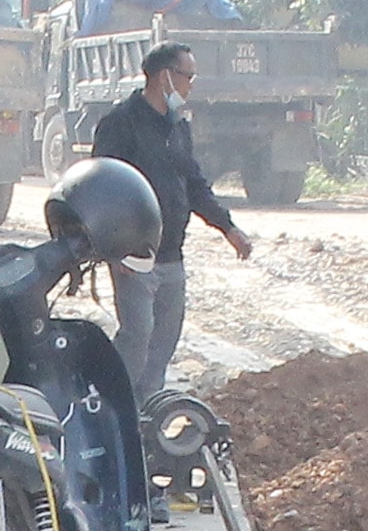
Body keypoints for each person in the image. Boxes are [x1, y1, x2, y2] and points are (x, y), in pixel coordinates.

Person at [84, 40, 252, 398]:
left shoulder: (177, 127)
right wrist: (115, 251)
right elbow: (102, 188)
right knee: (137, 334)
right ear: (166, 77)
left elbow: (193, 184)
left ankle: (145, 414)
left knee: (164, 341)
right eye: (187, 76)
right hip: (134, 256)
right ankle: (111, 404)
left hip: (172, 254)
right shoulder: (120, 124)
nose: (191, 86)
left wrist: (228, 227)